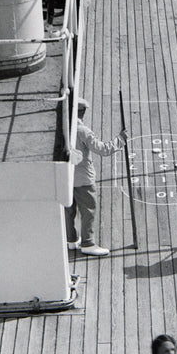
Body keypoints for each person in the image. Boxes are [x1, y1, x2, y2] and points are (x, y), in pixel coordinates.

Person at [66, 97, 126, 256]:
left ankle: (71, 240)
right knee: (88, 211)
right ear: (82, 113)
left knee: (69, 210)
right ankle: (88, 243)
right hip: (84, 179)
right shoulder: (82, 131)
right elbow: (103, 150)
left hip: (65, 177)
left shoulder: (62, 128)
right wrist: (120, 140)